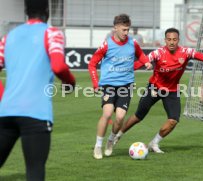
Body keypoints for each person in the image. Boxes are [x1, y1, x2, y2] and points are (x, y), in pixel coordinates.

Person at [113, 28, 203, 153]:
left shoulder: (186, 52)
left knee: (173, 120)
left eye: (174, 40)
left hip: (172, 90)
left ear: (178, 40)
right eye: (169, 39)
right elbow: (140, 62)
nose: (172, 42)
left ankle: (154, 143)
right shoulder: (158, 53)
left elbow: (202, 57)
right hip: (154, 88)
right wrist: (121, 71)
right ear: (165, 40)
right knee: (139, 116)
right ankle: (118, 135)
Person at [0, 0, 76, 180]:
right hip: (36, 113)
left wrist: (4, 97)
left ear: (26, 11)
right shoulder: (51, 33)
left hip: (6, 112)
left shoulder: (8, 37)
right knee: (34, 170)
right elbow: (58, 67)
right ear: (47, 11)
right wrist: (70, 83)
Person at [88, 13, 152, 159]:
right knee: (107, 113)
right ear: (115, 28)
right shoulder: (106, 45)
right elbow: (92, 63)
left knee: (120, 118)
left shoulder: (133, 43)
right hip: (109, 84)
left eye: (127, 29)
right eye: (123, 29)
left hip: (126, 85)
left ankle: (110, 140)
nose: (126, 33)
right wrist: (95, 83)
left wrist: (146, 62)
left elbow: (141, 55)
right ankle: (98, 146)